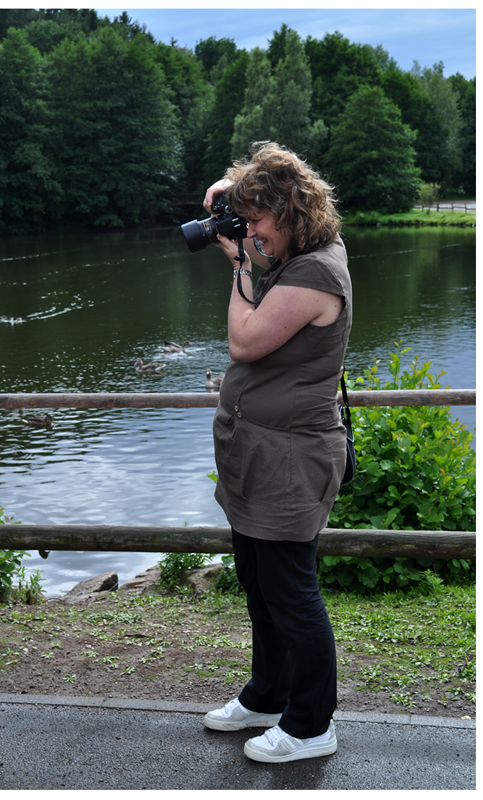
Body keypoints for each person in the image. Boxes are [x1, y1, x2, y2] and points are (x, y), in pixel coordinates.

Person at [200, 141, 352, 764]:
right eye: (246, 219)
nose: (252, 232)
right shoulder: (298, 253)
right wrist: (230, 200)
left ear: (291, 213)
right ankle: (268, 694)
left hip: (290, 461)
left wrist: (238, 264)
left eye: (258, 220)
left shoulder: (316, 272)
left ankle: (312, 725)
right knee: (260, 586)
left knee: (292, 593)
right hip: (256, 454)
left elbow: (245, 340)